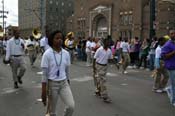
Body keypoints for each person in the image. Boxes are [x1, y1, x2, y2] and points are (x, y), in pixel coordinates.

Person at [41, 30, 75, 116]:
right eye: (57, 38)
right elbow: (44, 75)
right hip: (52, 85)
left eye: (61, 38)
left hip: (64, 83)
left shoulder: (66, 53)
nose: (60, 40)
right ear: (52, 40)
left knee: (71, 106)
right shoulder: (47, 54)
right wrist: (43, 91)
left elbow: (67, 70)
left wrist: (68, 81)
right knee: (52, 112)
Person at [94, 38, 113, 103]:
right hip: (99, 66)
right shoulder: (99, 50)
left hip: (105, 67)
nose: (108, 44)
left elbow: (110, 59)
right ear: (104, 43)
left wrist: (116, 64)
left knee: (99, 80)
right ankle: (105, 96)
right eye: (107, 42)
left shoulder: (109, 51)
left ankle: (98, 90)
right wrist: (94, 68)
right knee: (103, 81)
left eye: (109, 43)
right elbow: (94, 58)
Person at [161, 30, 175, 107]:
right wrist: (173, 52)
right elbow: (164, 56)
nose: (174, 35)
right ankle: (173, 101)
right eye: (172, 34)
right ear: (169, 35)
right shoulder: (167, 45)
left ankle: (169, 90)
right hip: (171, 67)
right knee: (174, 84)